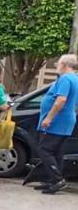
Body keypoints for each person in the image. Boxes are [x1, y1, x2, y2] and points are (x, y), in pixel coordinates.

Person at [33, 54, 78, 194]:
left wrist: (49, 118)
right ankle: (52, 180)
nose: (57, 66)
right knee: (57, 152)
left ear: (64, 65)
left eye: (58, 64)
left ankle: (57, 179)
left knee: (44, 149)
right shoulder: (75, 79)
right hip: (66, 120)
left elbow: (60, 101)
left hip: (57, 121)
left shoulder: (65, 79)